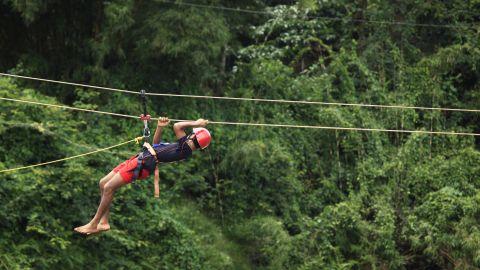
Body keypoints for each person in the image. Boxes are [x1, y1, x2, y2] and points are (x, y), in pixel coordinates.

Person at [74, 117, 211, 235]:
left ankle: (94, 223)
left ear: (193, 136)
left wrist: (196, 123)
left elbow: (177, 125)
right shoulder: (179, 147)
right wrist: (159, 127)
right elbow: (156, 145)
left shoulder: (185, 149)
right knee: (103, 183)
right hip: (142, 158)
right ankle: (104, 222)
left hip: (144, 163)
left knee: (109, 187)